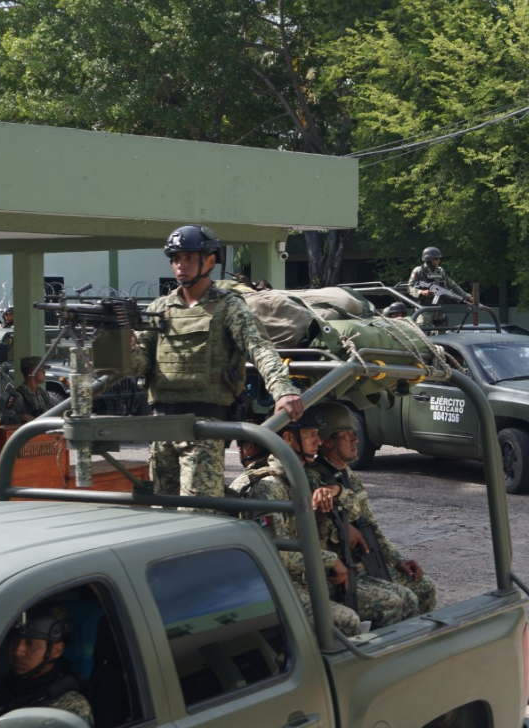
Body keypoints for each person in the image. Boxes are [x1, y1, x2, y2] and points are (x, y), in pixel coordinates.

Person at [131, 224, 304, 498]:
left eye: (188, 258)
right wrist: (119, 347)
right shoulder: (159, 309)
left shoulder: (228, 306)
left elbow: (258, 347)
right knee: (161, 515)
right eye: (176, 259)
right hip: (161, 426)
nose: (180, 266)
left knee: (198, 513)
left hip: (204, 427)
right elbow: (139, 364)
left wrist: (283, 389)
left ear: (210, 260)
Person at [228, 413, 364, 637]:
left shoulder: (295, 477)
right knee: (348, 621)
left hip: (303, 578)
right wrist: (331, 560)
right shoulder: (270, 487)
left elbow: (354, 505)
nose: (318, 442)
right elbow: (276, 553)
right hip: (277, 585)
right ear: (289, 438)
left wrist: (335, 491)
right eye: (311, 435)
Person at [307, 403, 437, 620]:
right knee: (400, 600)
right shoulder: (313, 478)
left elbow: (368, 523)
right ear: (327, 441)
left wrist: (397, 560)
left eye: (354, 433)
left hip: (365, 564)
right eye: (347, 435)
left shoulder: (346, 475)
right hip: (340, 572)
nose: (355, 439)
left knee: (424, 587)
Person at [0, 604, 92, 728]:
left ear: (56, 650)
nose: (18, 651)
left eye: (30, 644)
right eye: (15, 641)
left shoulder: (68, 707)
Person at [0, 356, 54, 424]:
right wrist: (22, 417)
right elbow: (4, 421)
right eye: (41, 369)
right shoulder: (18, 397)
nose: (44, 372)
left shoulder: (43, 395)